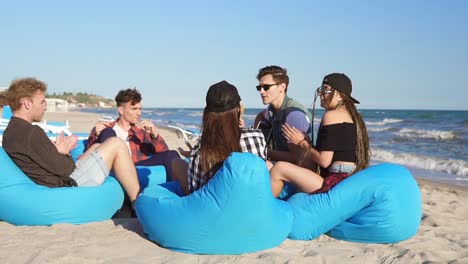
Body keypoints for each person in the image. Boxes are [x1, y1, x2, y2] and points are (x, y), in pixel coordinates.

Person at [3, 77, 140, 203]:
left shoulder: (12, 130)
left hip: (55, 178)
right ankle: (135, 202)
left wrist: (55, 151)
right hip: (67, 184)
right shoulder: (31, 132)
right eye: (42, 102)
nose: (45, 106)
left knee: (97, 145)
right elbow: (67, 170)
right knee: (116, 143)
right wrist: (64, 152)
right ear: (27, 104)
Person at [269, 73, 370, 197]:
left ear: (340, 95)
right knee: (304, 161)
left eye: (325, 90)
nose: (321, 94)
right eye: (320, 89)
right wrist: (307, 144)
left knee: (279, 168)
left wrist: (302, 142)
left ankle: (265, 211)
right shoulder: (353, 116)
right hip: (351, 176)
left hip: (337, 180)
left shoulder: (331, 115)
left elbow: (324, 161)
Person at [174, 80, 268, 195]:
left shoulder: (201, 151)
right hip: (252, 203)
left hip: (214, 209)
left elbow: (196, 195)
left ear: (207, 115)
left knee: (177, 163)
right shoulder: (257, 137)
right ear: (238, 110)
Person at [86, 88, 182, 181]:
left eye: (140, 109)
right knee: (108, 133)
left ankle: (177, 190)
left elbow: (163, 152)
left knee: (172, 154)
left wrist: (154, 135)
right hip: (113, 168)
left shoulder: (141, 133)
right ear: (121, 110)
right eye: (134, 109)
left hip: (135, 166)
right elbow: (87, 158)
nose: (139, 113)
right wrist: (95, 135)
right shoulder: (105, 129)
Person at [254, 65, 311, 167]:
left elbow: (296, 158)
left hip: (300, 170)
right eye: (259, 87)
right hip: (282, 165)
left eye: (266, 87)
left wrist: (262, 151)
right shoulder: (272, 109)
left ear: (282, 87)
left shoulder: (294, 114)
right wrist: (255, 135)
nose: (261, 91)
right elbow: (261, 115)